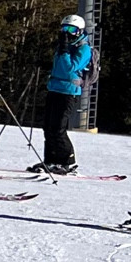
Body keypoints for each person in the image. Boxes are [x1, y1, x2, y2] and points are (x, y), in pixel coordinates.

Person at [36, 14, 94, 175]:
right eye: (64, 28)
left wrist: (64, 51)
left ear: (79, 31)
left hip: (68, 92)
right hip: (54, 88)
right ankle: (51, 159)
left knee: (58, 127)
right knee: (48, 126)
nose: (66, 32)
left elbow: (70, 69)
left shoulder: (83, 49)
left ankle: (68, 161)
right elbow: (60, 66)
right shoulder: (65, 46)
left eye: (71, 29)